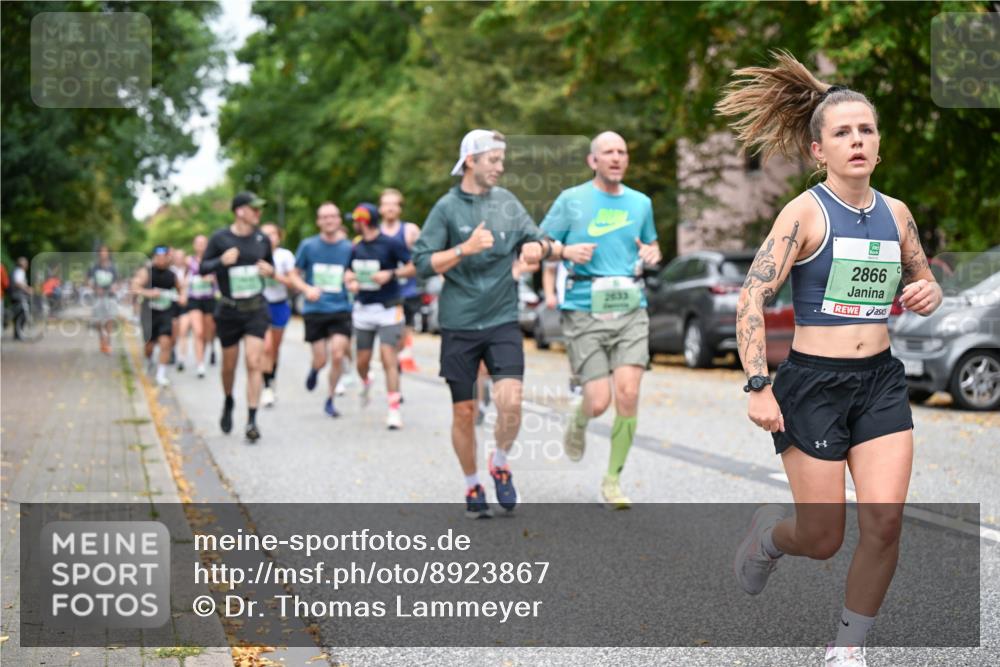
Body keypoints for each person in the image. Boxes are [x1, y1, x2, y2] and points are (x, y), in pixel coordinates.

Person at [716, 51, 943, 666]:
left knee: (885, 525)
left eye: (866, 129)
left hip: (881, 383)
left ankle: (847, 647)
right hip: (813, 385)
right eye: (843, 132)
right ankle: (768, 539)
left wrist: (928, 292)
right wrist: (758, 384)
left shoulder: (896, 214)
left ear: (879, 143)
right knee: (821, 538)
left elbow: (922, 280)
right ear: (819, 150)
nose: (857, 140)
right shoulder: (805, 213)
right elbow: (752, 295)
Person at [412, 129, 550, 518]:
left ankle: (499, 462)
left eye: (502, 160)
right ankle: (472, 483)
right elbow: (421, 262)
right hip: (459, 322)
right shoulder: (446, 208)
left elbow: (539, 239)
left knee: (511, 401)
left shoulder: (506, 202)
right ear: (470, 161)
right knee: (464, 412)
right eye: (493, 159)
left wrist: (534, 247)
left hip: (502, 318)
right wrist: (464, 249)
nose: (500, 167)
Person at [540, 131, 661, 509]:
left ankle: (612, 480)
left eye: (622, 151)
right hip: (584, 309)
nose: (616, 157)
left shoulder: (641, 203)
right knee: (598, 402)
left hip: (630, 309)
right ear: (593, 160)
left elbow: (651, 245)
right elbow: (538, 247)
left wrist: (653, 253)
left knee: (628, 393)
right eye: (608, 152)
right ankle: (580, 419)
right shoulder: (571, 200)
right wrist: (564, 251)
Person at [200, 191, 275, 442]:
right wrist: (221, 261)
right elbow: (202, 268)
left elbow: (271, 267)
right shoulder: (220, 238)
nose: (258, 213)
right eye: (254, 209)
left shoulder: (262, 239)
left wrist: (269, 270)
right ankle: (229, 400)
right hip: (229, 310)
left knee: (254, 362)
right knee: (229, 366)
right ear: (240, 211)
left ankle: (252, 420)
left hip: (256, 309)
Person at [345, 202, 415, 429]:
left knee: (388, 357)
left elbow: (413, 266)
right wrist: (351, 282)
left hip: (388, 309)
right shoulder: (356, 246)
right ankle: (366, 380)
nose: (353, 224)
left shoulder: (391, 243)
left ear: (364, 222)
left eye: (356, 220)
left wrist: (391, 274)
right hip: (363, 310)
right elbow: (348, 272)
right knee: (362, 362)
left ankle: (394, 410)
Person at [287, 202, 354, 417]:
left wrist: (353, 281)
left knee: (337, 355)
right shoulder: (308, 246)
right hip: (315, 309)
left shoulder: (349, 248)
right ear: (318, 222)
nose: (329, 220)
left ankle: (330, 398)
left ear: (339, 220)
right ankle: (315, 369)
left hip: (341, 308)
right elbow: (293, 274)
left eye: (332, 216)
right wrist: (306, 289)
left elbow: (355, 274)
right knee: (321, 359)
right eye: (324, 217)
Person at [378, 188, 422, 373]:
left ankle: (396, 364)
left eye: (394, 204)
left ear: (400, 208)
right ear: (380, 208)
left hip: (408, 292)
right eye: (386, 204)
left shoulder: (410, 230)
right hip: (383, 295)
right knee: (387, 344)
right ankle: (392, 374)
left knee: (402, 340)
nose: (390, 208)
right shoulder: (374, 232)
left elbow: (422, 258)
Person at [134, 246, 186, 387]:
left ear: (168, 258)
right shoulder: (147, 272)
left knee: (165, 342)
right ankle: (149, 360)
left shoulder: (172, 275)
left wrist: (182, 297)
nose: (161, 260)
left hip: (165, 313)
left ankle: (161, 374)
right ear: (154, 258)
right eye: (158, 257)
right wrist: (148, 293)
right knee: (149, 346)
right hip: (149, 313)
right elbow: (135, 287)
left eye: (164, 257)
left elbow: (181, 290)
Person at [259, 223, 296, 407]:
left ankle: (272, 378)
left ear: (279, 237)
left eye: (273, 234)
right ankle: (266, 386)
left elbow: (293, 282)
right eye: (265, 234)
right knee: (265, 348)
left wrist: (274, 274)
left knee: (274, 348)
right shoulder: (254, 255)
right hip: (260, 306)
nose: (269, 237)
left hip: (279, 305)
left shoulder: (285, 256)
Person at [182, 235, 217, 378]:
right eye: (198, 243)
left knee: (208, 333)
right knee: (198, 332)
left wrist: (212, 279)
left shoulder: (213, 261)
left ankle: (207, 350)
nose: (201, 245)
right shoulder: (189, 261)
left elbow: (218, 279)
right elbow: (184, 279)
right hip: (194, 299)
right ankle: (200, 364)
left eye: (203, 243)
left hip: (209, 299)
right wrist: (183, 293)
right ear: (194, 245)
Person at [88, 245, 118, 354]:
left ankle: (108, 342)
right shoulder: (94, 267)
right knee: (99, 320)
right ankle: (102, 339)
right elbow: (89, 281)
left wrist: (114, 287)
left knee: (110, 319)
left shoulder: (113, 267)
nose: (103, 254)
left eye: (105, 252)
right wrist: (95, 288)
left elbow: (117, 281)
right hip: (98, 297)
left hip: (110, 296)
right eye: (101, 252)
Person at [170, 248, 190, 370]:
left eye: (181, 257)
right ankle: (172, 349)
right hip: (172, 303)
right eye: (176, 257)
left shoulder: (189, 271)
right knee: (174, 332)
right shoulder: (169, 271)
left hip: (185, 304)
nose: (179, 259)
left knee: (183, 331)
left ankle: (182, 358)